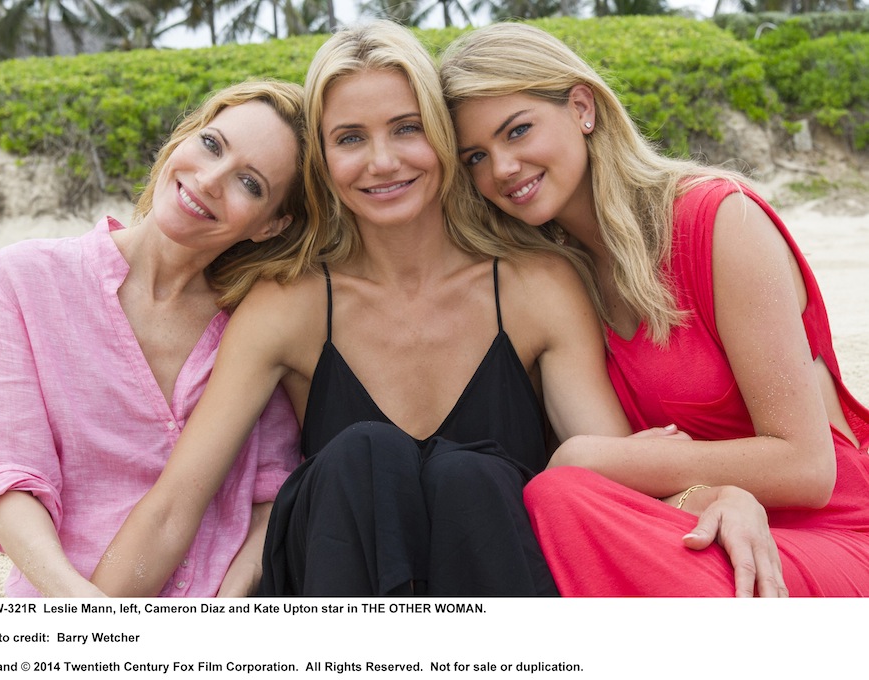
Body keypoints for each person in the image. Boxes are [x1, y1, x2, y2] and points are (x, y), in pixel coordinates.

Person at [91, 20, 784, 598]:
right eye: (350, 138)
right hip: (334, 604)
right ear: (322, 161)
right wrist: (82, 637)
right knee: (362, 455)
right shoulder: (288, 304)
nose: (382, 161)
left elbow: (612, 478)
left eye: (406, 128)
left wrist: (716, 495)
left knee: (469, 478)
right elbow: (175, 507)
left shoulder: (536, 287)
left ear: (444, 135)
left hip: (496, 602)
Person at [439, 21, 869, 596]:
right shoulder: (556, 280)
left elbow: (807, 468)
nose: (501, 169)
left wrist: (585, 455)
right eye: (475, 157)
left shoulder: (720, 221)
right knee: (557, 498)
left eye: (517, 131)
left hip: (832, 532)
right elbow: (630, 488)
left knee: (565, 486)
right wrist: (711, 498)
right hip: (700, 528)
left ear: (582, 107)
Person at [0, 80, 306, 597]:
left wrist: (228, 605)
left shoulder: (260, 319)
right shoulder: (26, 278)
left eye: (250, 183)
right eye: (211, 144)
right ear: (184, 137)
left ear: (272, 225)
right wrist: (80, 610)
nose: (209, 180)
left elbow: (272, 491)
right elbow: (11, 478)